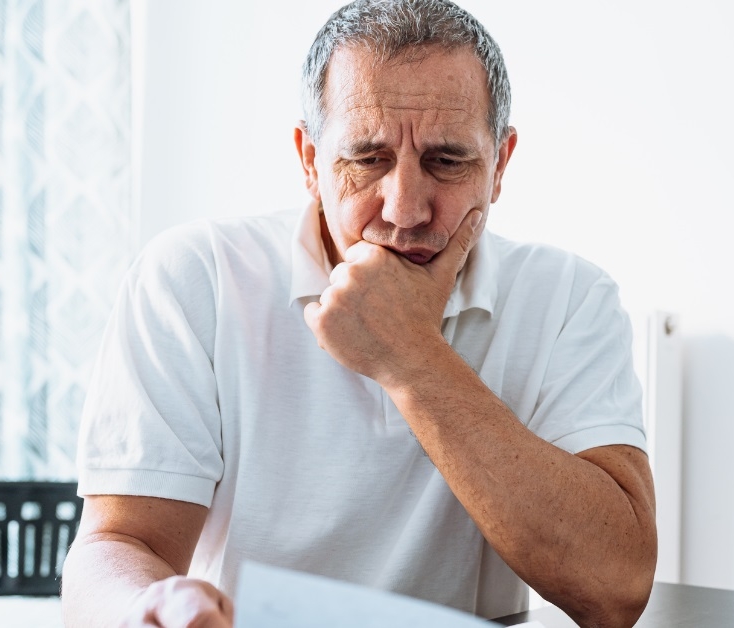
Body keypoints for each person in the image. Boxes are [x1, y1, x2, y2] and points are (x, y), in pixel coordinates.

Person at [61, 1, 657, 626]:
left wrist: (411, 357)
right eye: (367, 159)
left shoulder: (570, 297)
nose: (404, 209)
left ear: (500, 165)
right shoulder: (194, 278)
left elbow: (615, 587)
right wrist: (146, 606)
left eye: (447, 161)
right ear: (310, 161)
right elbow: (119, 543)